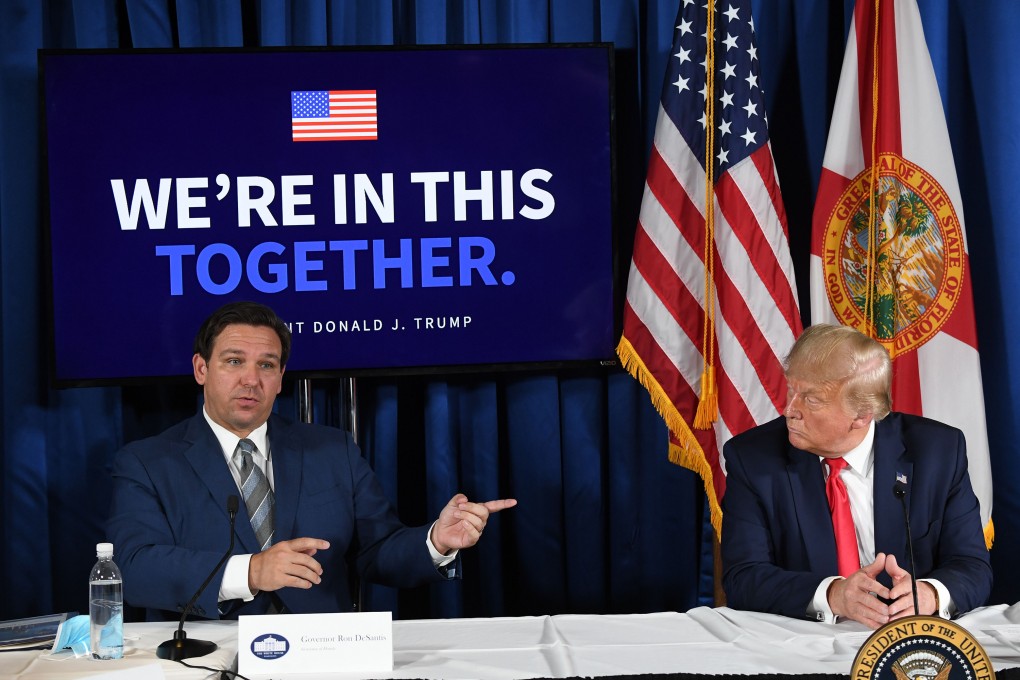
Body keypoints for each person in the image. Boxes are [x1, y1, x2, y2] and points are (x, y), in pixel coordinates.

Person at [108, 301, 516, 620]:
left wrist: (435, 542)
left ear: (281, 377)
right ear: (201, 368)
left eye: (266, 365)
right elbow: (132, 566)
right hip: (209, 655)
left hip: (322, 655)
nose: (251, 379)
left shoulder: (332, 449)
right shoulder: (146, 462)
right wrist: (250, 571)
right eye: (234, 361)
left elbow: (378, 550)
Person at [721, 323, 991, 628]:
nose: (789, 410)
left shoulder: (937, 452)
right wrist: (833, 595)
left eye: (811, 399)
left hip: (907, 640)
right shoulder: (753, 458)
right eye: (791, 390)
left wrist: (929, 594)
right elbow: (743, 577)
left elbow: (972, 566)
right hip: (805, 641)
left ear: (862, 415)